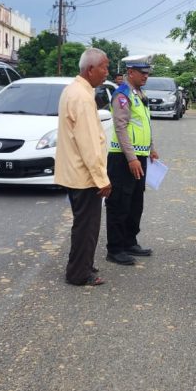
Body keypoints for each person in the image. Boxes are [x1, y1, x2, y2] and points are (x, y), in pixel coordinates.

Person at [55, 47, 113, 286]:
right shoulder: (81, 96)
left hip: (77, 172)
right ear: (90, 70)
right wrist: (102, 179)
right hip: (84, 174)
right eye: (104, 67)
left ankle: (82, 265)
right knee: (86, 227)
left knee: (84, 225)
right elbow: (89, 144)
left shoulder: (76, 90)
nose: (107, 72)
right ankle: (79, 273)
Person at [105, 55, 159, 266]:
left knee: (136, 202)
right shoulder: (122, 94)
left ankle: (130, 241)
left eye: (147, 73)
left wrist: (151, 148)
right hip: (123, 159)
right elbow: (121, 128)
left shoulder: (139, 94)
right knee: (119, 203)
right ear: (131, 72)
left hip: (139, 157)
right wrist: (131, 158)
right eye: (143, 73)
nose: (146, 76)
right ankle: (115, 248)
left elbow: (143, 124)